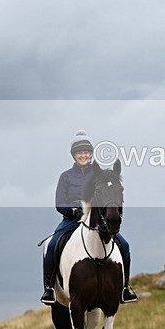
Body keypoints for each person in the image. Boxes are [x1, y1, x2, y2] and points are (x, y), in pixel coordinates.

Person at [40, 130, 137, 305]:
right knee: (51, 245)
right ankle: (50, 289)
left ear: (91, 154)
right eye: (79, 153)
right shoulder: (66, 176)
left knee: (125, 245)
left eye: (86, 152)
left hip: (96, 221)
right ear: (74, 155)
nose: (83, 155)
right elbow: (59, 203)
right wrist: (73, 211)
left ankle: (124, 288)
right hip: (71, 220)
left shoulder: (99, 175)